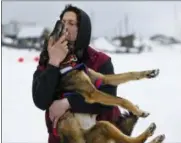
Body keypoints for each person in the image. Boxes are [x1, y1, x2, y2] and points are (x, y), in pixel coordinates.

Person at [32, 4, 130, 143]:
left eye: (71, 23)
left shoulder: (100, 61)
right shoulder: (48, 57)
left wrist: (69, 102)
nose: (65, 27)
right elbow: (40, 101)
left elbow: (108, 100)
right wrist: (54, 62)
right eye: (63, 22)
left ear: (82, 30)